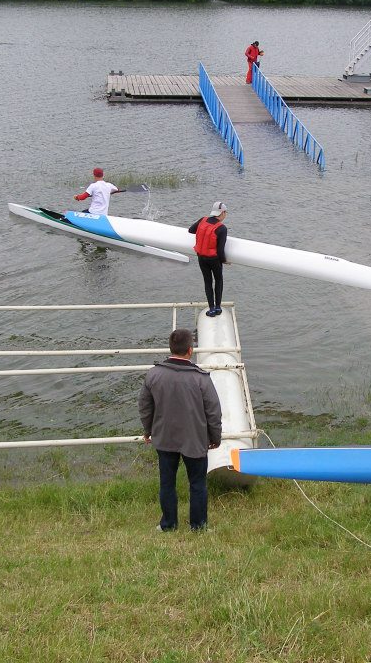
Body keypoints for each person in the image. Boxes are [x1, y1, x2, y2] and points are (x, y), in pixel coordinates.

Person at [139, 328, 222, 532]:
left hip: (165, 437)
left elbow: (145, 406)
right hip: (195, 439)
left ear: (171, 348)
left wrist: (148, 430)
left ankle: (168, 524)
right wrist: (215, 437)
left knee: (167, 483)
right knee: (197, 484)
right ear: (190, 350)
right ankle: (198, 526)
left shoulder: (154, 375)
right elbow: (213, 412)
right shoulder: (201, 379)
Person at [188, 202, 228, 318]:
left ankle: (211, 309)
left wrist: (202, 232)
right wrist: (225, 261)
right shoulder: (222, 228)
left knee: (207, 282)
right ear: (222, 213)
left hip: (201, 257)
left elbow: (191, 230)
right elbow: (220, 251)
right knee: (219, 281)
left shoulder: (202, 220)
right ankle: (218, 307)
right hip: (214, 259)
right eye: (225, 213)